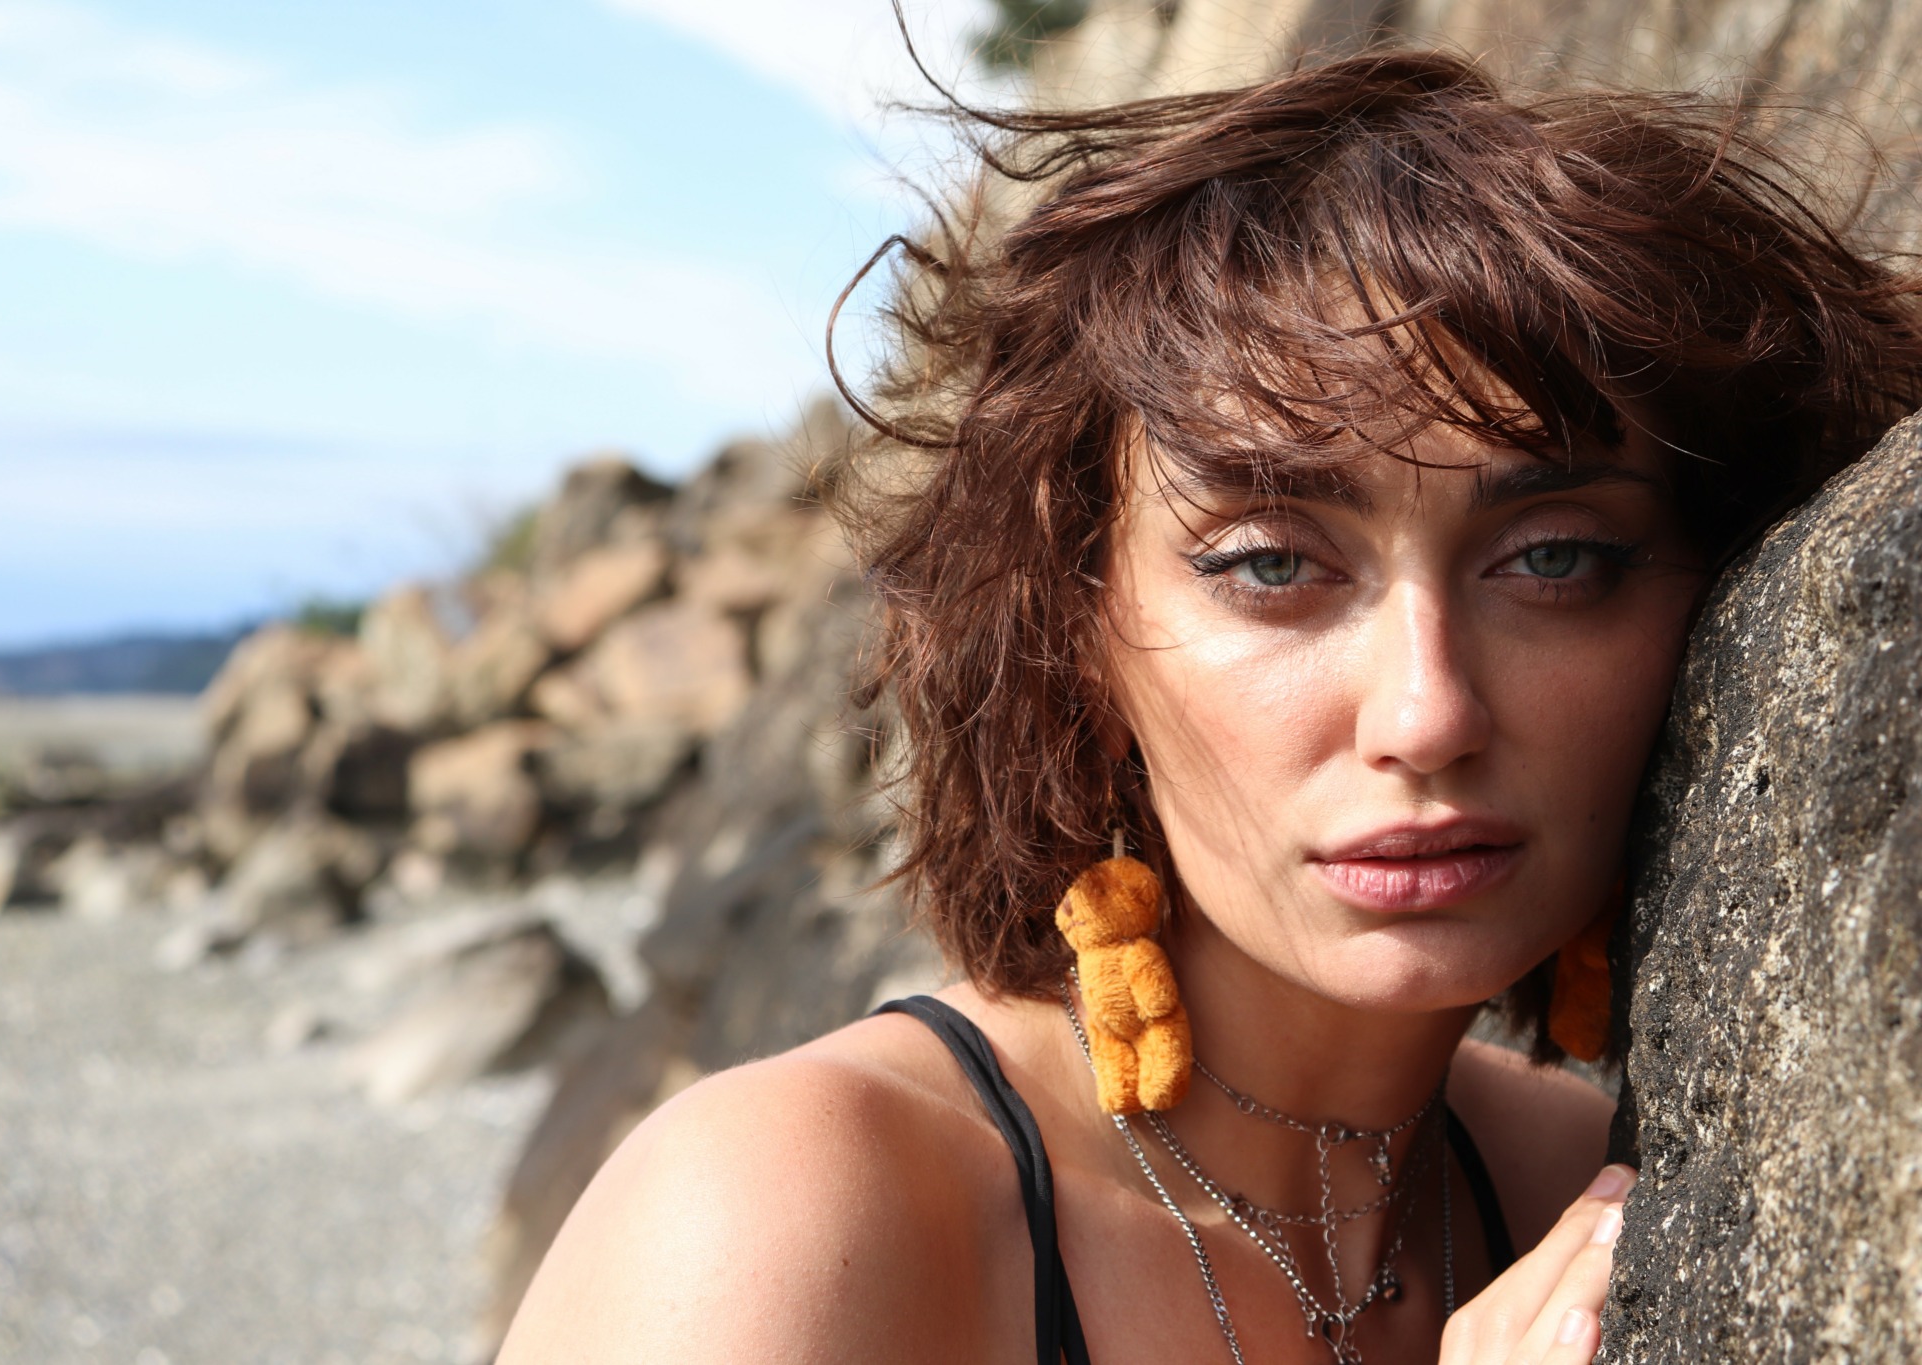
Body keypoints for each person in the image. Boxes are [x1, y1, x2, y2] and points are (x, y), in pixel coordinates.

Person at [497, 50, 1922, 1364]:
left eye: (1552, 559)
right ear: (1080, 636)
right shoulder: (788, 1213)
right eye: (1272, 566)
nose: (1426, 712)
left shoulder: (1596, 1188)